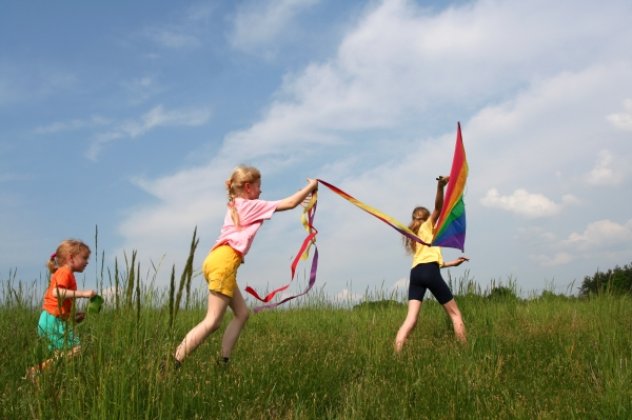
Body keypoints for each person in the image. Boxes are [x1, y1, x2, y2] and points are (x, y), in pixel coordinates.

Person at [173, 165, 318, 368]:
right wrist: (312, 185)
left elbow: (290, 201)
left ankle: (222, 363)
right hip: (224, 261)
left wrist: (302, 194)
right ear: (248, 187)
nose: (261, 191)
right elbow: (291, 203)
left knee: (242, 314)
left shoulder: (237, 204)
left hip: (218, 260)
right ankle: (172, 363)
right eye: (259, 187)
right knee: (212, 321)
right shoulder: (249, 205)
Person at [394, 176, 469, 352]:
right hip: (430, 271)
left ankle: (396, 354)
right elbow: (438, 207)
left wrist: (452, 264)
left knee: (411, 320)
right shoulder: (428, 226)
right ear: (428, 218)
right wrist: (440, 186)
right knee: (455, 314)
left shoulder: (415, 234)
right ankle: (466, 352)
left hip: (416, 274)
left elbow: (431, 261)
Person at [27, 239, 97, 379]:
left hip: (53, 319)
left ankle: (45, 377)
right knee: (76, 350)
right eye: (84, 258)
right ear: (71, 258)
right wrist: (83, 294)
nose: (87, 262)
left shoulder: (66, 274)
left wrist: (72, 316)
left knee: (63, 354)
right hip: (53, 320)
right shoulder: (64, 272)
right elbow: (56, 293)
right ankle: (37, 370)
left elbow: (59, 303)